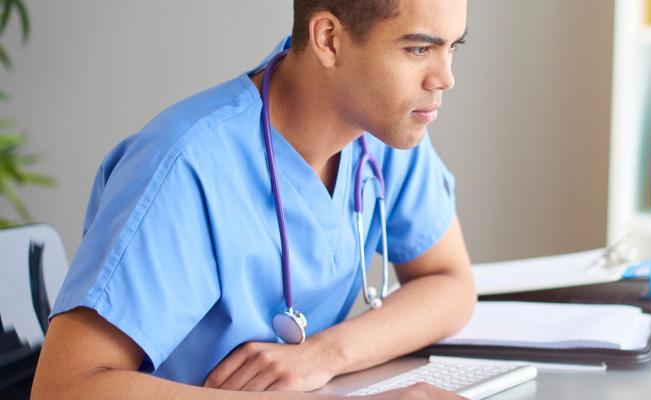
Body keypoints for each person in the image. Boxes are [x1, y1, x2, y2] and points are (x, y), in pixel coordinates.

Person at [31, 0, 475, 399]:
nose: (446, 78)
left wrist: (324, 355)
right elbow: (63, 388)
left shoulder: (381, 131)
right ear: (329, 39)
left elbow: (450, 282)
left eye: (453, 46)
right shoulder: (185, 167)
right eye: (419, 49)